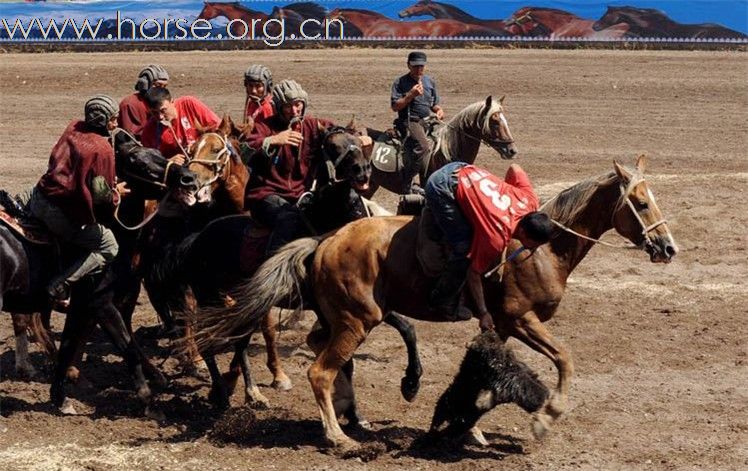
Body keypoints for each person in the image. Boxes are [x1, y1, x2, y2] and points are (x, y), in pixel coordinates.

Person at [424, 161, 554, 329]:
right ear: (523, 233)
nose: (533, 248)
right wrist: (484, 312)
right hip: (441, 186)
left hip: (461, 167)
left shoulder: (530, 201)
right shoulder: (495, 238)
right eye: (533, 244)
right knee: (463, 248)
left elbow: (515, 168)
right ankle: (442, 300)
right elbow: (473, 272)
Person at [29, 95, 130, 300]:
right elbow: (101, 196)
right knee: (109, 245)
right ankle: (60, 284)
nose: (116, 124)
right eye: (113, 119)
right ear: (103, 121)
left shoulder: (73, 127)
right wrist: (117, 193)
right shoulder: (102, 149)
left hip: (38, 197)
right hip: (62, 215)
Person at [243, 79, 333, 255]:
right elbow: (245, 152)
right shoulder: (264, 127)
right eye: (287, 106)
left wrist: (360, 137)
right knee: (288, 219)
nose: (294, 110)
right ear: (278, 107)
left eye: (298, 104)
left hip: (301, 196)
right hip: (266, 195)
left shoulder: (312, 126)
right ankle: (272, 269)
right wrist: (272, 140)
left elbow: (337, 132)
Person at [391, 51, 444, 195]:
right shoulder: (400, 82)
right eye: (415, 66)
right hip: (409, 121)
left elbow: (434, 103)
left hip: (427, 121)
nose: (418, 69)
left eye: (421, 66)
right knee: (423, 146)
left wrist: (439, 110)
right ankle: (407, 182)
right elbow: (395, 106)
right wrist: (410, 95)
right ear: (408, 65)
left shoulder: (430, 81)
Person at [140, 87, 220, 165]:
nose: (160, 117)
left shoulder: (189, 104)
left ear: (172, 101)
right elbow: (149, 161)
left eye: (163, 110)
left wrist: (198, 144)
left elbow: (218, 128)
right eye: (154, 113)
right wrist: (168, 162)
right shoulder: (149, 131)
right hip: (180, 171)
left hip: (205, 160)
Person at [118, 64, 169, 139]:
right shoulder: (130, 104)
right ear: (145, 85)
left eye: (164, 87)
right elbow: (131, 137)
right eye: (158, 85)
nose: (161, 90)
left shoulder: (161, 103)